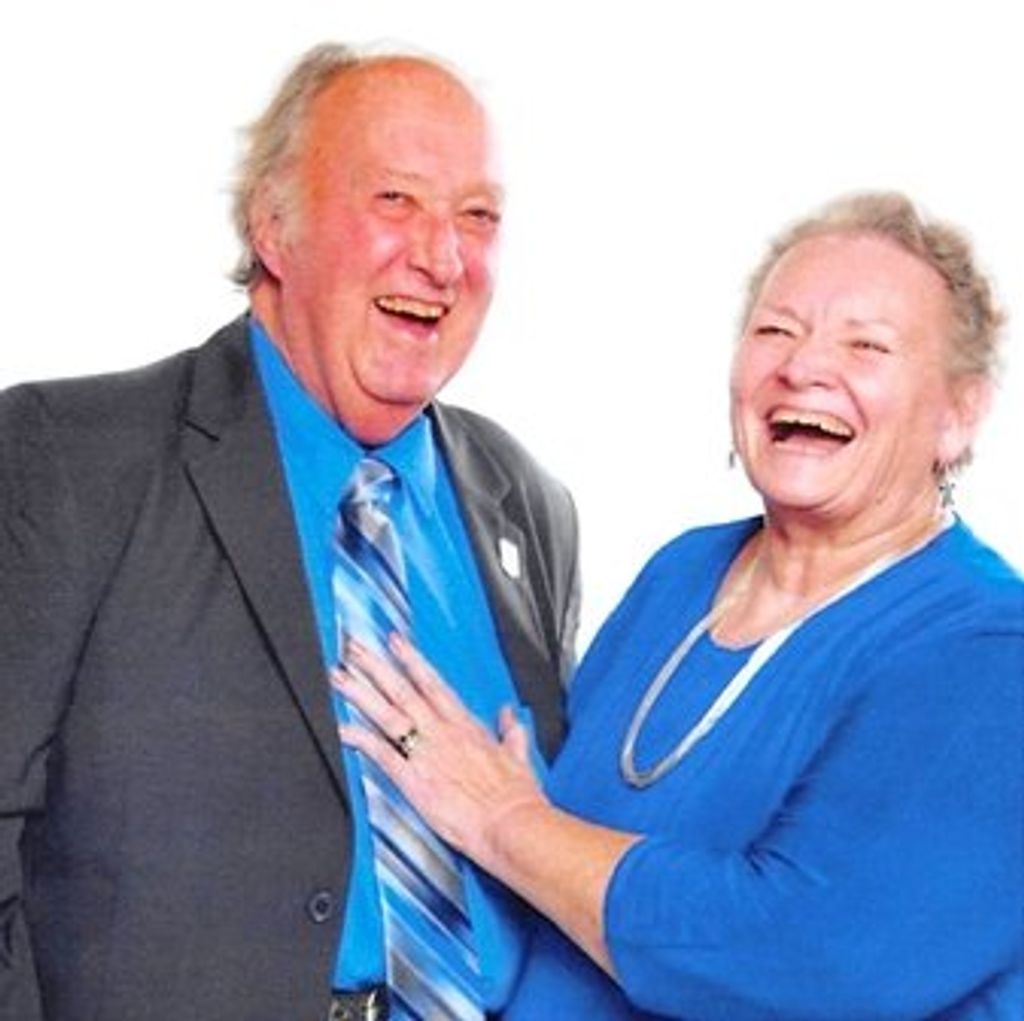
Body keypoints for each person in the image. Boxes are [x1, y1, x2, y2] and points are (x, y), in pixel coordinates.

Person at [0, 43, 580, 1021]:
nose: (442, 258)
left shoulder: (527, 502)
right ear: (274, 224)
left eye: (476, 216)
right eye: (395, 200)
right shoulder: (70, 458)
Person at [339, 192, 1023, 1019]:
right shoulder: (684, 572)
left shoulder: (990, 649)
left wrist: (506, 821)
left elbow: (806, 961)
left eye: (866, 344)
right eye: (775, 330)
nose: (803, 366)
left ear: (959, 414)